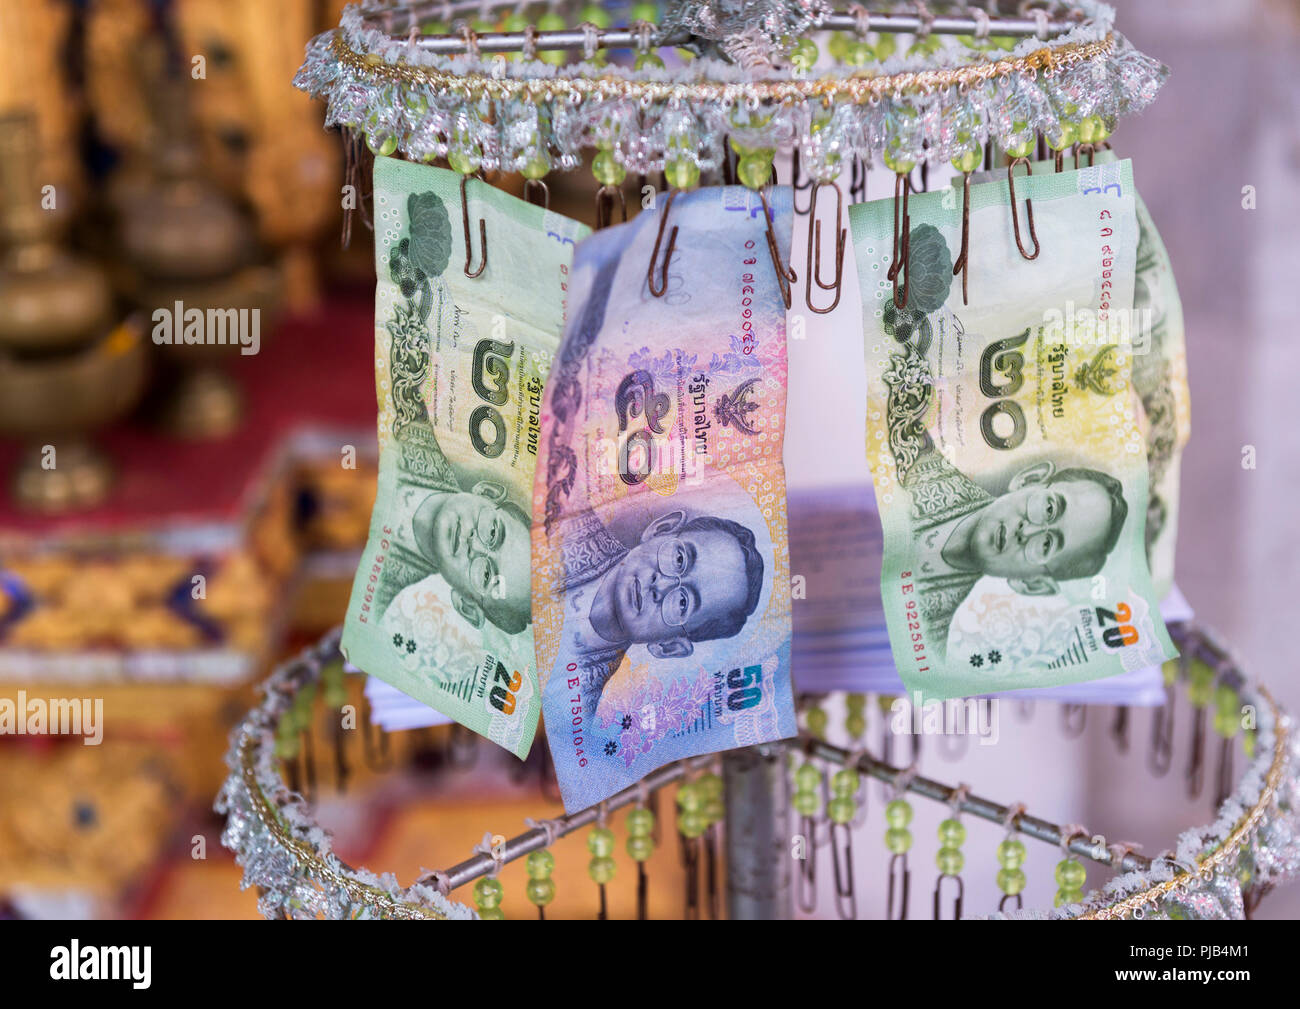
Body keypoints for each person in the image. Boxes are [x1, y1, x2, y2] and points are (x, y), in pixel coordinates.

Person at [551, 506, 765, 708]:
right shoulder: (563, 511)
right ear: (662, 529)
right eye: (679, 559)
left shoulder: (576, 706)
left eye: (682, 602)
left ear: (670, 645)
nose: (661, 585)